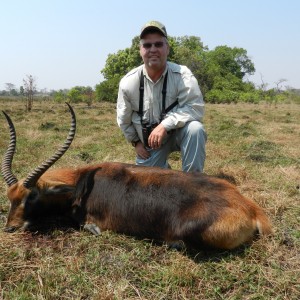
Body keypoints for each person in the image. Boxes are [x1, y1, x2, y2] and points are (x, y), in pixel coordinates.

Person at [117, 21, 207, 172]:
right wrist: (136, 143)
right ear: (140, 50)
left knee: (195, 129)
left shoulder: (183, 75)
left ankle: (193, 182)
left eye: (158, 44)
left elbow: (195, 108)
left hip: (179, 132)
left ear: (167, 48)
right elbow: (124, 120)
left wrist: (165, 125)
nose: (153, 49)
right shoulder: (128, 83)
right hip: (151, 143)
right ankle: (163, 168)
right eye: (147, 45)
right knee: (145, 184)